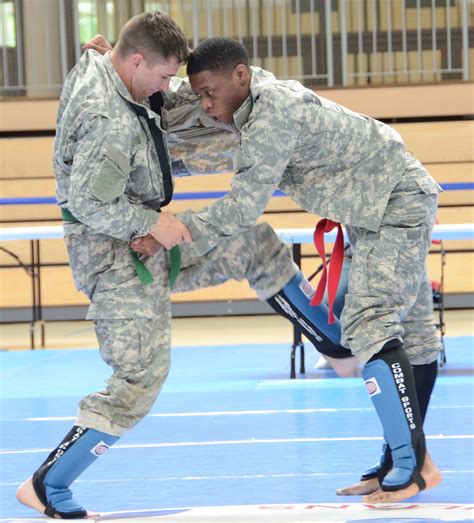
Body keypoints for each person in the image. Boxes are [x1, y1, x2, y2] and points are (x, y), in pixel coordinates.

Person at [16, 14, 358, 519]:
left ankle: (338, 349)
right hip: (115, 256)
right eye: (159, 76)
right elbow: (89, 203)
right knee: (139, 380)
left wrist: (97, 54)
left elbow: (98, 58)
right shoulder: (106, 118)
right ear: (134, 62)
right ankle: (48, 484)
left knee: (253, 243)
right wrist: (156, 223)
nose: (165, 87)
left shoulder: (109, 66)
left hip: (143, 226)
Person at [168, 37, 443, 503]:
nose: (206, 105)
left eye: (209, 93)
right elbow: (177, 88)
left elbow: (242, 208)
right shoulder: (248, 103)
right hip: (376, 207)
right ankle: (402, 461)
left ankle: (411, 466)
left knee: (369, 324)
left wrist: (169, 229)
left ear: (241, 75)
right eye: (199, 96)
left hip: (396, 203)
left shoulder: (273, 112)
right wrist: (116, 61)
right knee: (414, 336)